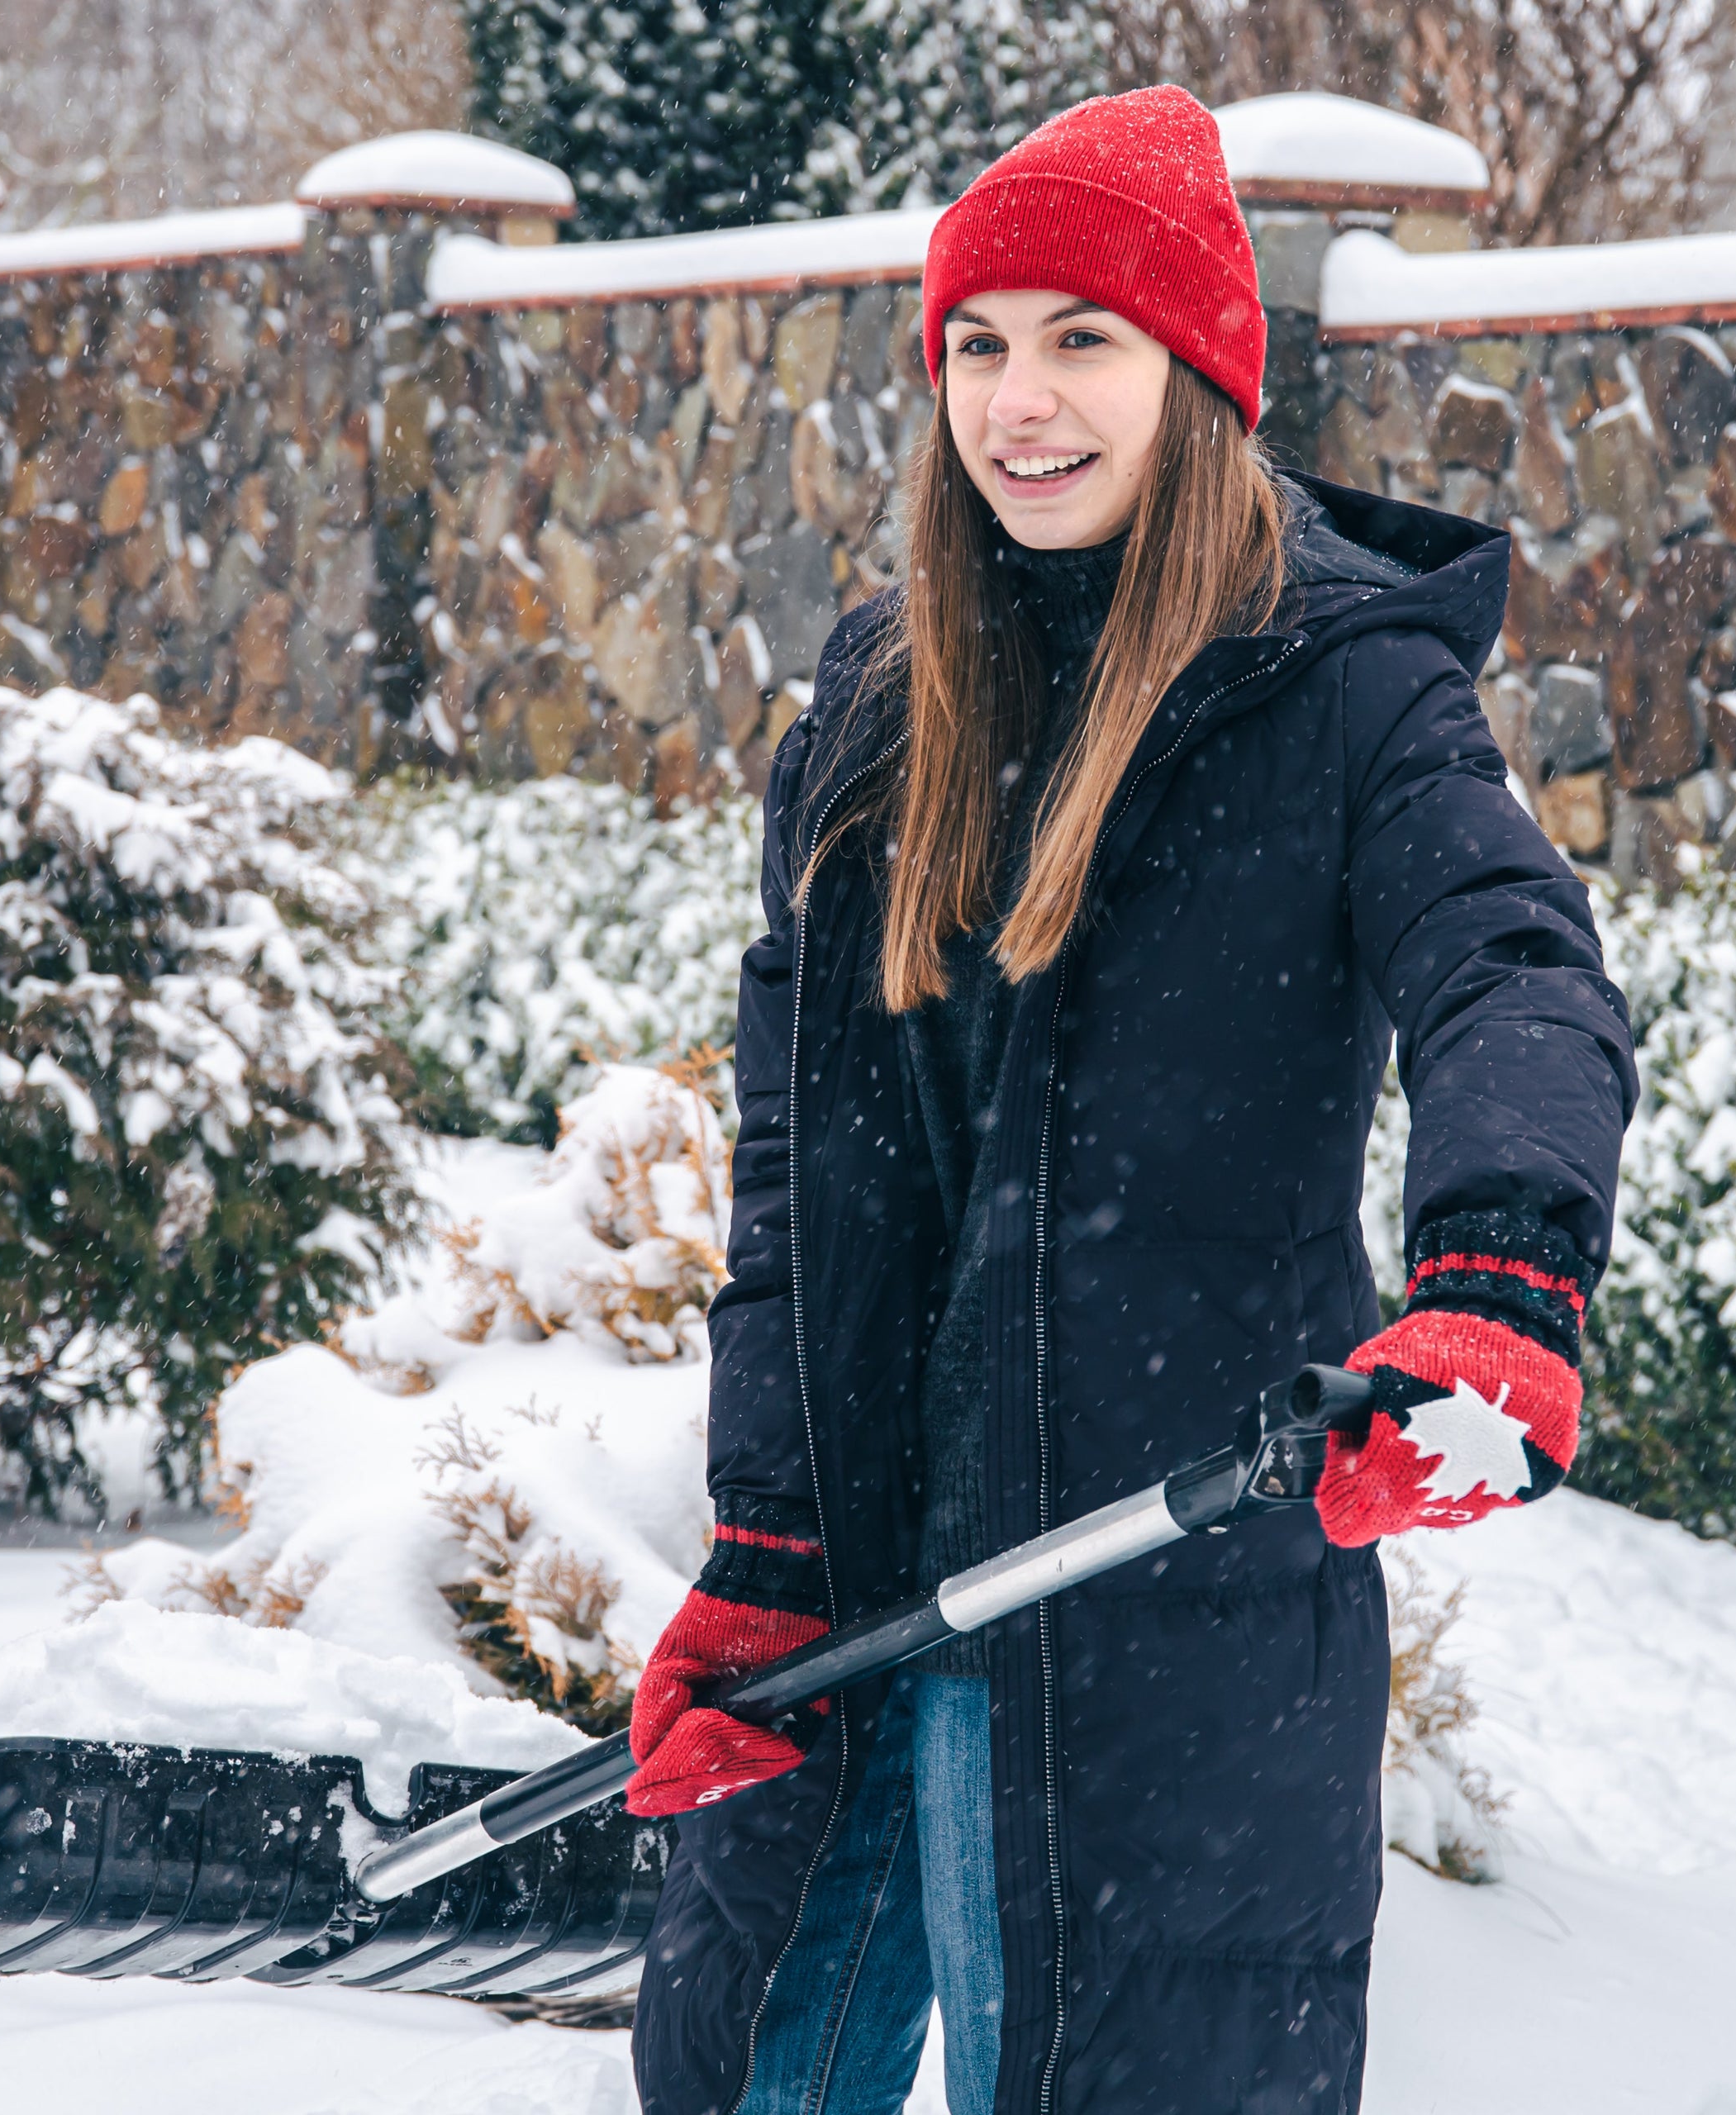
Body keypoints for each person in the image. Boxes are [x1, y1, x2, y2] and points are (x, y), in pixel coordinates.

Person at [618, 85, 1637, 2115]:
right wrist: (761, 1536)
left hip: (1152, 1606)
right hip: (867, 1596)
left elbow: (1513, 970)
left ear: (1198, 370)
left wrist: (1501, 1281)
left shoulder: (1346, 687)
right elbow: (796, 1184)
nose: (1022, 400)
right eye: (979, 344)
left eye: (1082, 337)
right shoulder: (877, 698)